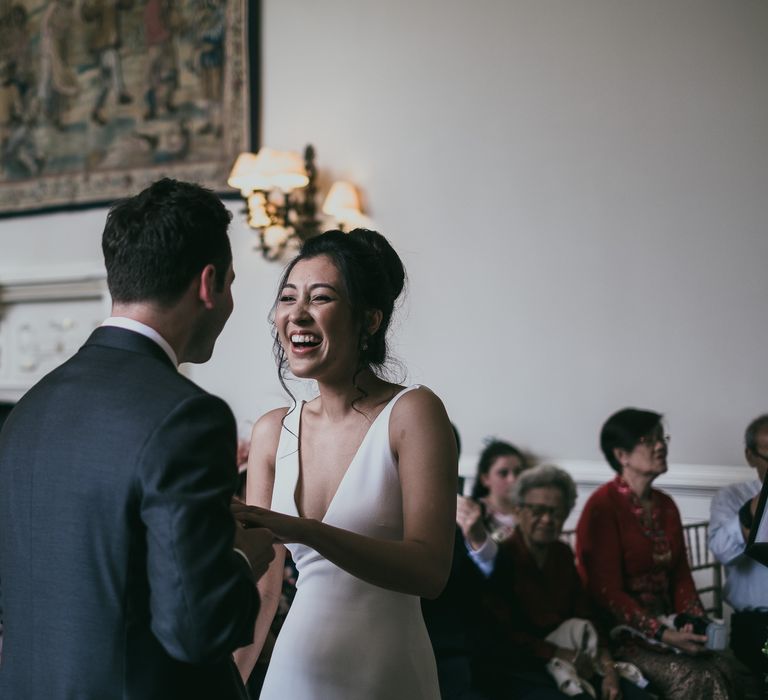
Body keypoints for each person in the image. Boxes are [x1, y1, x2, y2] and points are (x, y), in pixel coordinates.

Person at [0, 178, 275, 699]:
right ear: (208, 283)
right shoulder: (188, 418)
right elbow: (196, 630)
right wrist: (243, 559)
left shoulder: (28, 411)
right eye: (232, 283)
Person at [231, 229, 457, 698]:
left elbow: (430, 571)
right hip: (297, 674)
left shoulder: (412, 413)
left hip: (389, 675)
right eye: (288, 297)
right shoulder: (273, 431)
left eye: (321, 298)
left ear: (369, 320)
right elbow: (264, 591)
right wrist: (228, 685)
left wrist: (308, 530)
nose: (297, 314)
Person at [576, 407, 743, 699]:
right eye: (648, 439)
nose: (660, 445)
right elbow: (606, 593)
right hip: (620, 636)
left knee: (722, 665)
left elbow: (680, 575)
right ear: (621, 455)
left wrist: (694, 625)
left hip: (669, 626)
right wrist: (662, 634)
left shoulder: (666, 505)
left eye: (661, 437)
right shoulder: (602, 506)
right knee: (695, 677)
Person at [477, 464, 651, 700]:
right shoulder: (501, 557)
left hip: (576, 657)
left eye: (556, 512)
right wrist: (559, 653)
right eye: (538, 510)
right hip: (526, 667)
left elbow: (585, 613)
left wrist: (609, 669)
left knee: (635, 696)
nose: (548, 519)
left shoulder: (561, 554)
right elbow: (503, 634)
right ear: (518, 511)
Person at [709, 414, 768, 677]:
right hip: (757, 624)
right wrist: (755, 508)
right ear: (750, 456)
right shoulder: (731, 498)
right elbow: (723, 551)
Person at [457, 439, 531, 575]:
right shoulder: (473, 513)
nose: (513, 479)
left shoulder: (531, 512)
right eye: (503, 473)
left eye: (518, 472)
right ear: (485, 479)